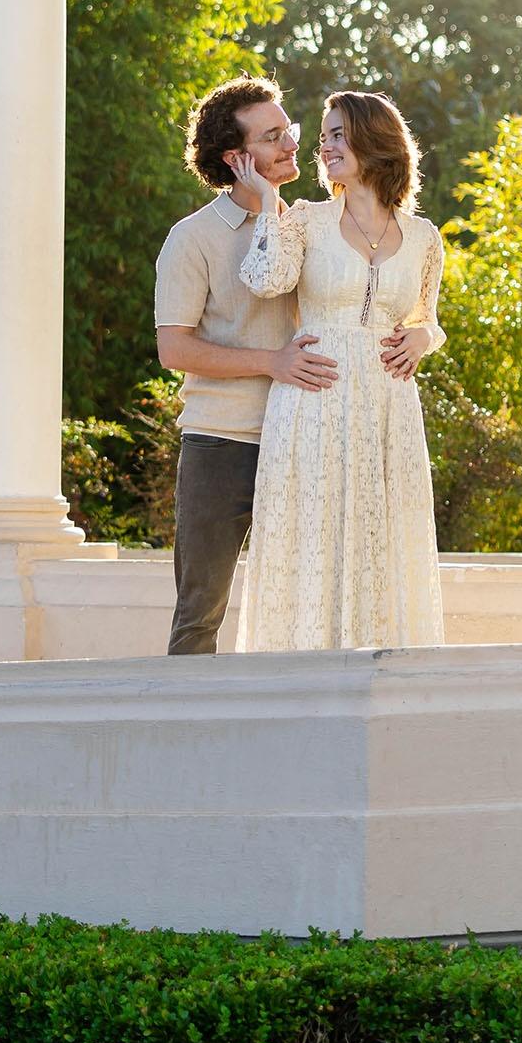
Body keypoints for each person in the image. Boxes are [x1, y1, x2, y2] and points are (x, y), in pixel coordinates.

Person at [229, 88, 446, 651]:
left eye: (336, 135)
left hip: (388, 408)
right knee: (312, 537)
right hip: (314, 399)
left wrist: (424, 336)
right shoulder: (305, 218)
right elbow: (266, 279)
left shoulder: (424, 237)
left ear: (375, 142)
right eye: (322, 135)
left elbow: (430, 319)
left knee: (382, 539)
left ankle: (384, 675)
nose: (323, 146)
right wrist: (269, 197)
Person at [153, 78, 338, 655]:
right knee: (199, 614)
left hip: (306, 437)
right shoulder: (192, 240)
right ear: (237, 159)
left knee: (312, 607)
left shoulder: (316, 228)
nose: (291, 146)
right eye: (273, 136)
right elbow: (174, 350)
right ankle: (186, 739)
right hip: (221, 443)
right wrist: (272, 362)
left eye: (291, 131)